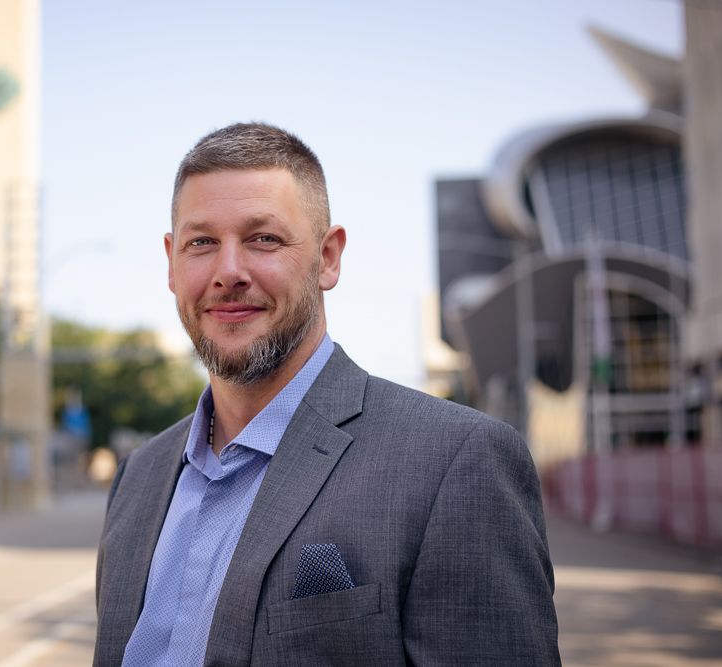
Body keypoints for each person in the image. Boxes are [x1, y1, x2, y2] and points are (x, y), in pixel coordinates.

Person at [94, 123, 560, 666]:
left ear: (328, 257)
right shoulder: (138, 478)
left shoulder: (456, 462)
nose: (228, 271)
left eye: (262, 238)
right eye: (202, 243)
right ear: (172, 264)